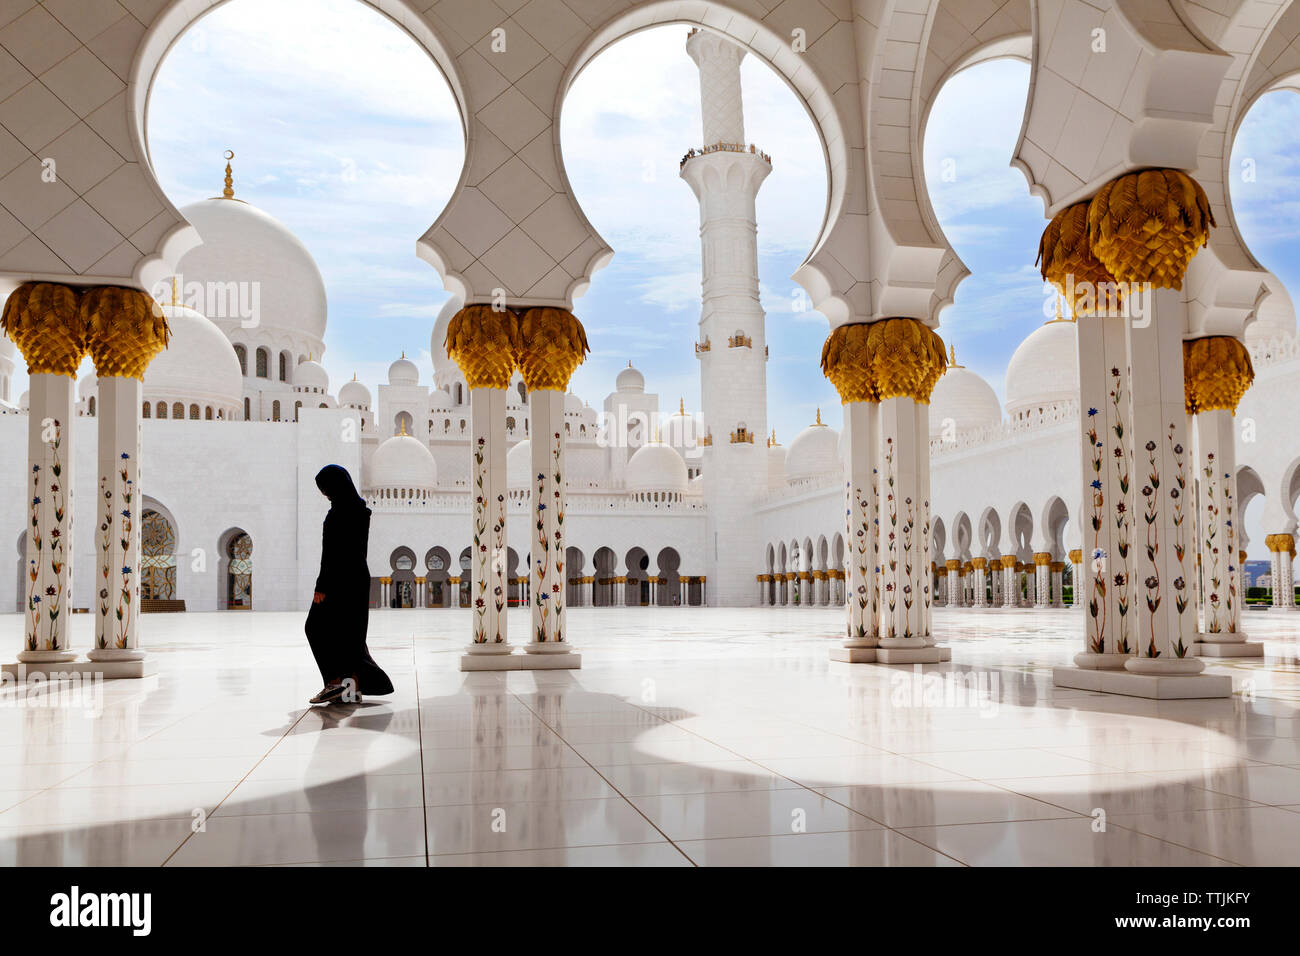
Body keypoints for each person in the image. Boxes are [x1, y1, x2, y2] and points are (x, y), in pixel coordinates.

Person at [305, 464, 393, 704]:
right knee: (349, 634)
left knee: (314, 627)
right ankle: (349, 684)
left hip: (338, 580)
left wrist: (321, 587)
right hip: (357, 578)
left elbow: (332, 554)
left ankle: (334, 682)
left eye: (325, 488)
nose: (324, 494)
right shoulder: (359, 510)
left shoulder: (338, 513)